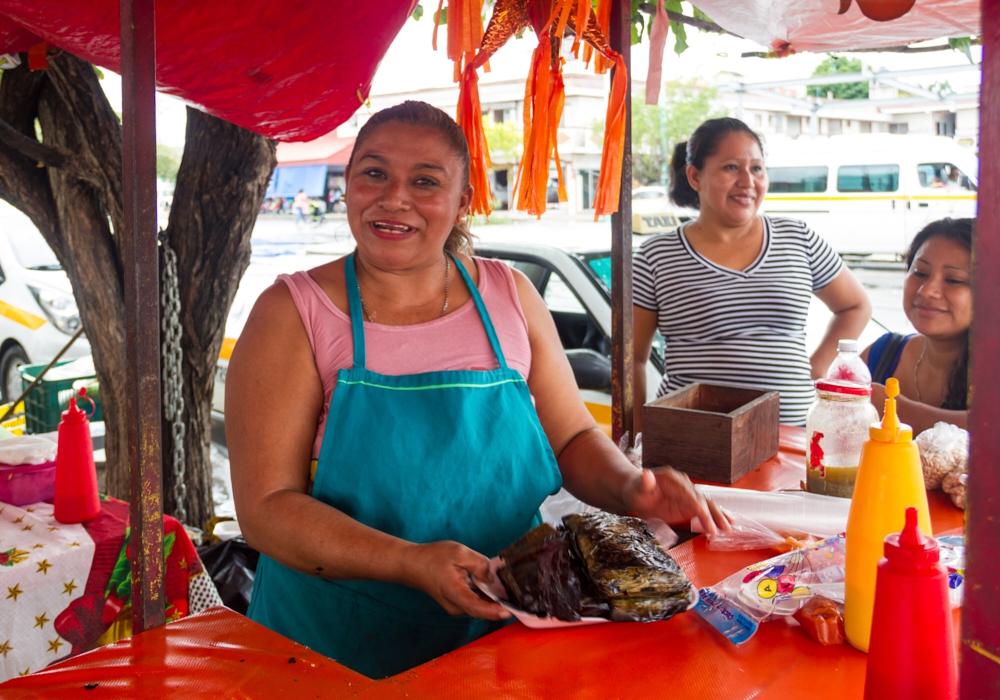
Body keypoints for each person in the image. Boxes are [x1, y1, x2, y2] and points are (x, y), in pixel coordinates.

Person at [225, 101, 729, 679]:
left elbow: (570, 436)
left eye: (425, 182)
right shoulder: (293, 312)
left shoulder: (510, 295)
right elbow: (266, 509)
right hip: (336, 646)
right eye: (373, 173)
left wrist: (631, 488)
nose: (394, 199)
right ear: (346, 184)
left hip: (509, 634)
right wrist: (409, 562)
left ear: (463, 200)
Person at [632, 118, 872, 430]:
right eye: (731, 167)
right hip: (693, 439)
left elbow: (856, 306)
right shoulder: (657, 255)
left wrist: (817, 366)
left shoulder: (798, 237)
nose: (748, 181)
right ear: (695, 176)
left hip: (792, 435)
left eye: (757, 168)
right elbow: (633, 359)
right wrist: (637, 440)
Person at [861, 218, 971, 433]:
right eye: (920, 273)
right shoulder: (881, 354)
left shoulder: (991, 372)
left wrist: (899, 410)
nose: (927, 290)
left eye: (954, 280)